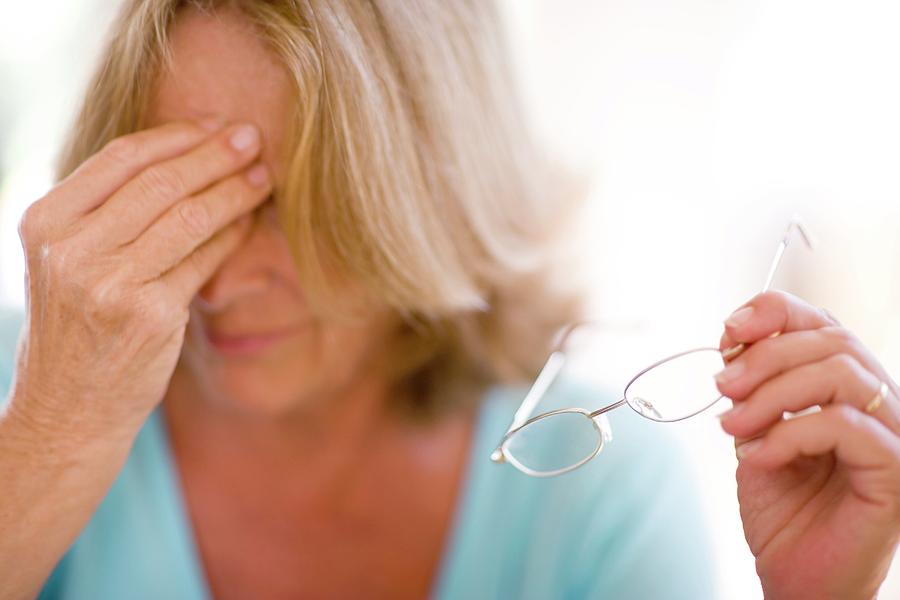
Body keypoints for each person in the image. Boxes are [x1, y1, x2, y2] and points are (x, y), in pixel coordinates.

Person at [0, 1, 896, 599]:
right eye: (180, 200)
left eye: (300, 210)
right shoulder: (25, 390)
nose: (220, 285)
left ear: (430, 199)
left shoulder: (588, 494)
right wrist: (48, 443)